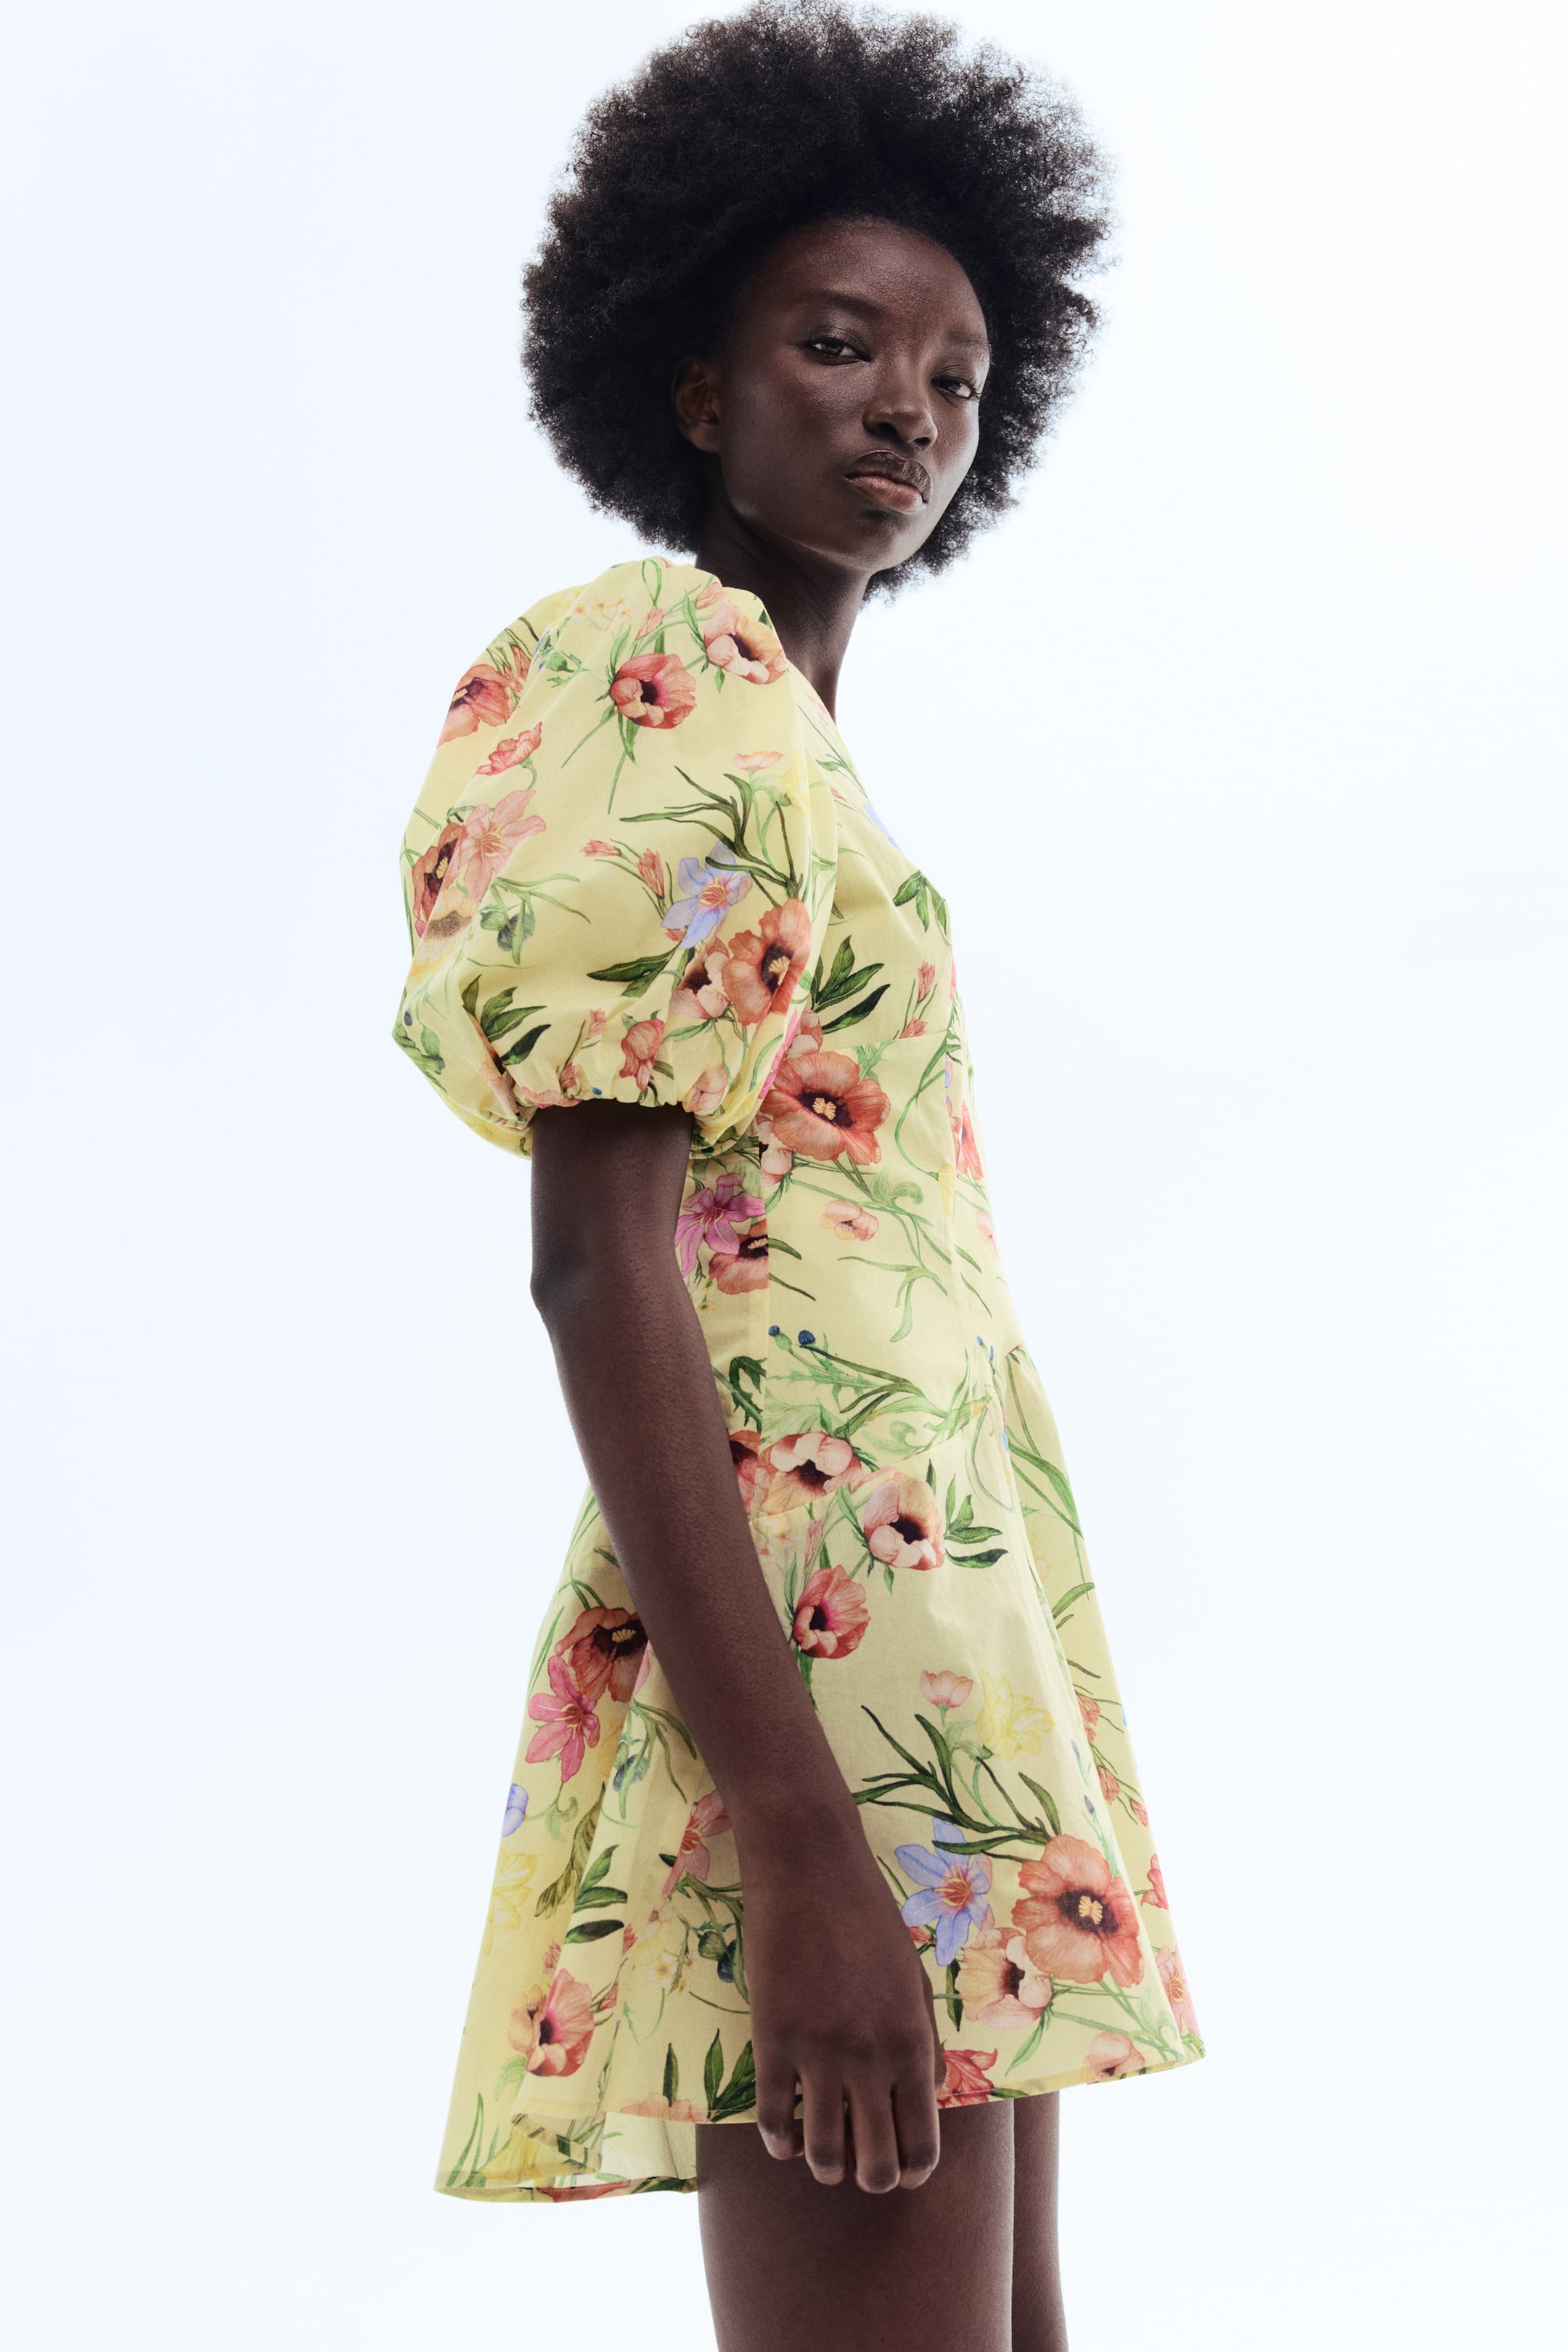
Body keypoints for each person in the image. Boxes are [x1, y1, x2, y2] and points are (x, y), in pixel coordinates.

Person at [393, 6, 1202, 2345]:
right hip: (815, 1697)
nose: (905, 412)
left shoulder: (812, 762)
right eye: (837, 343)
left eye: (953, 378)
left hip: (949, 1655)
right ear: (690, 382)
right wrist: (804, 1846)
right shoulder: (659, 664)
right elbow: (593, 1263)